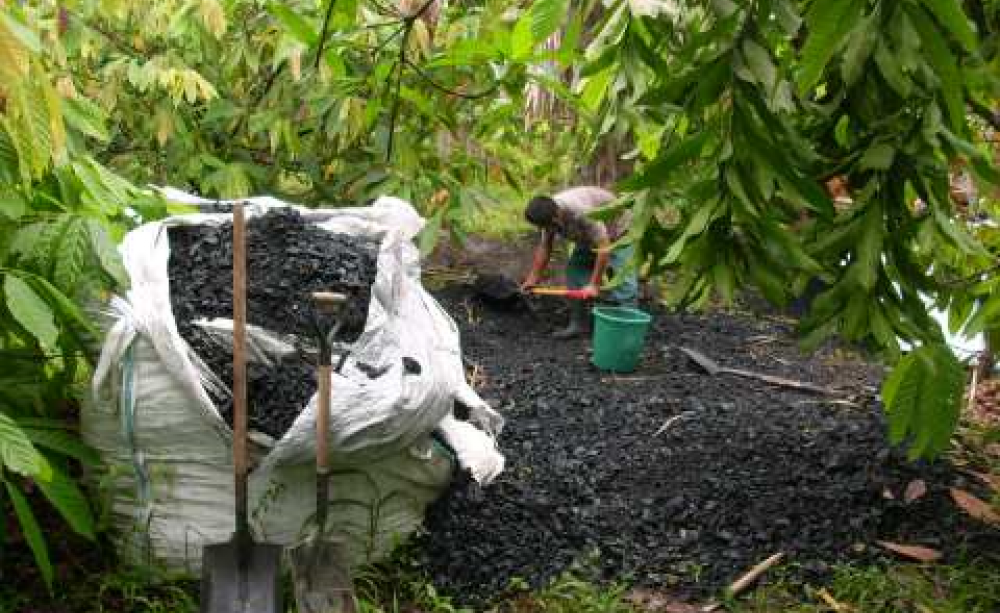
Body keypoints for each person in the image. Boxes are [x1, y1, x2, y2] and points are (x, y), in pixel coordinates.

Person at [520, 186, 638, 339]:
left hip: (619, 232)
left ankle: (626, 334)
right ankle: (578, 324)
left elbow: (604, 246)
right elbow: (545, 247)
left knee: (625, 284)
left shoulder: (580, 211)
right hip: (587, 237)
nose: (547, 230)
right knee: (574, 272)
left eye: (549, 226)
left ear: (556, 217)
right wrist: (533, 278)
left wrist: (594, 285)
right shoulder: (546, 215)